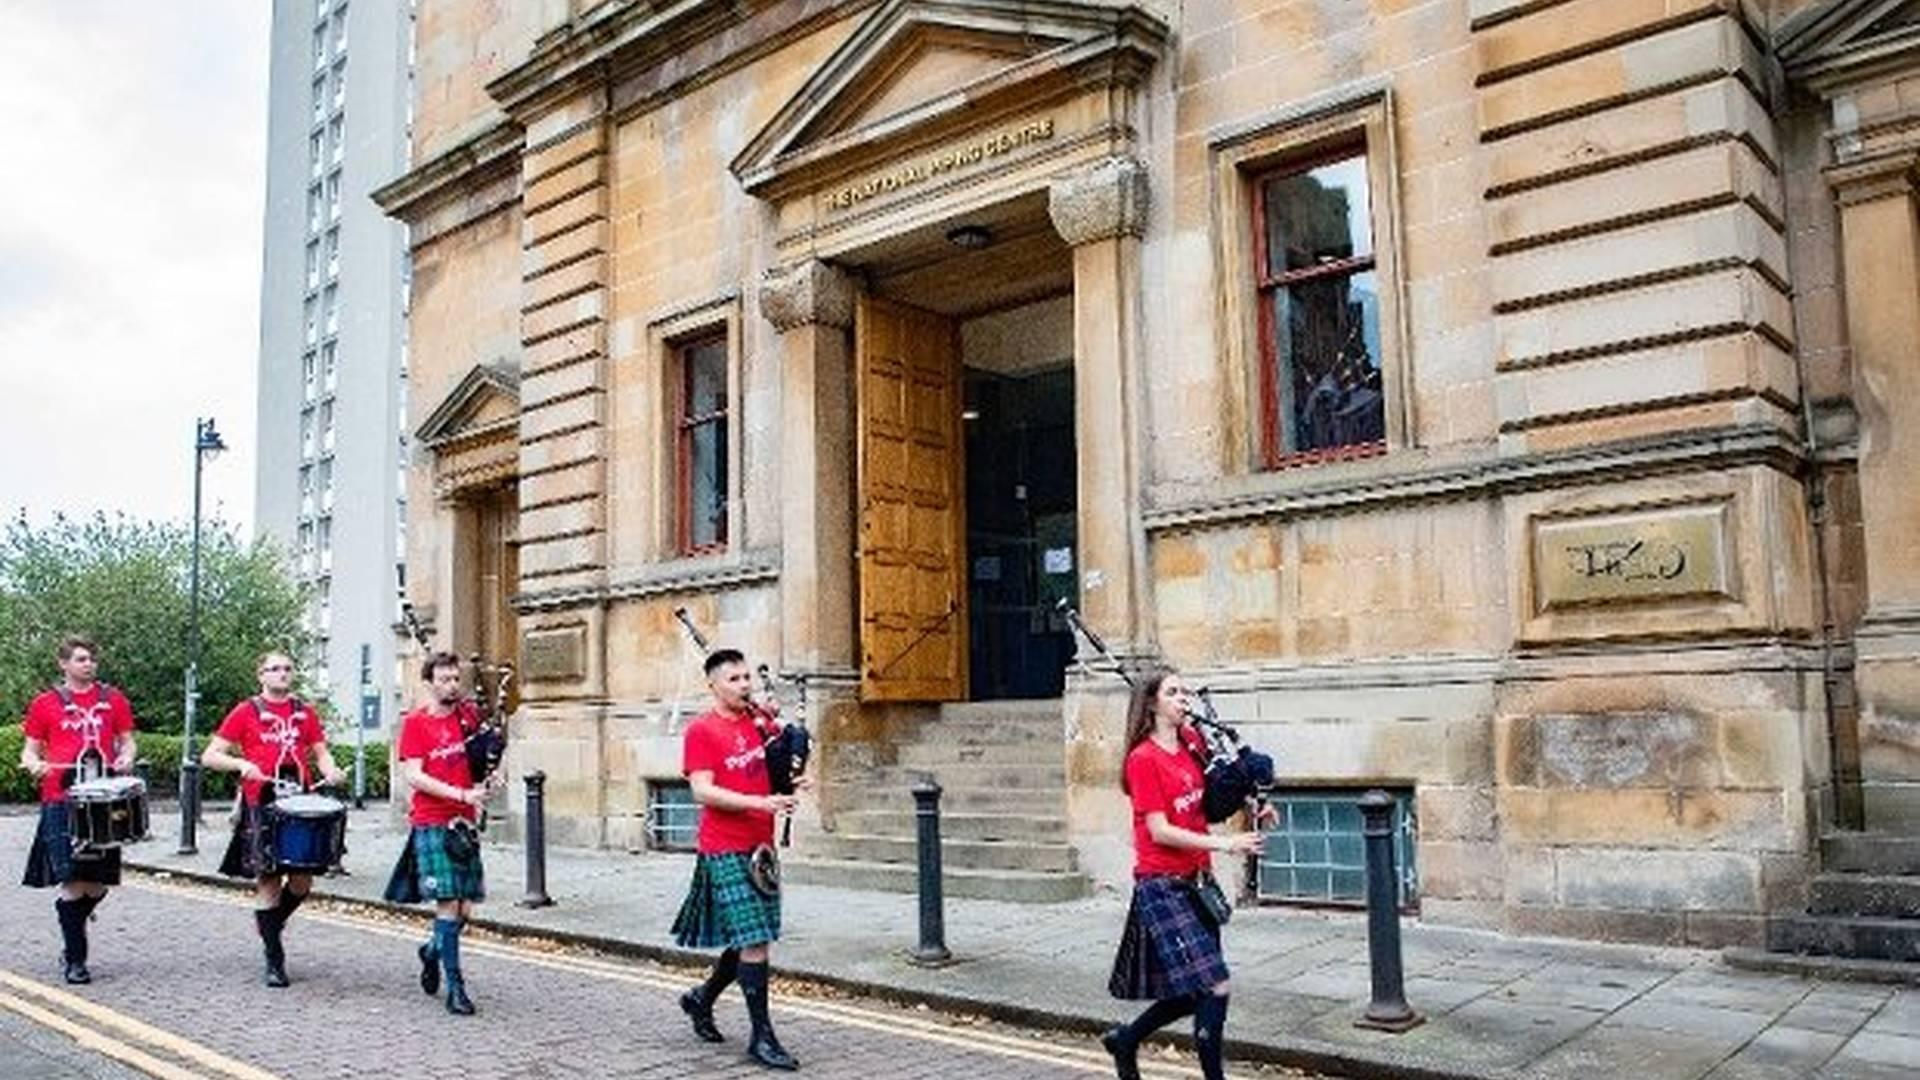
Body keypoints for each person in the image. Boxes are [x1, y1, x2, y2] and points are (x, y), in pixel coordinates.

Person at [1102, 669, 1264, 1080]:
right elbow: (1160, 830)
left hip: (1198, 883)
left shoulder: (1192, 742)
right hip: (1162, 885)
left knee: (1197, 991)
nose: (1183, 699)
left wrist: (1253, 803)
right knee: (1215, 986)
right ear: (1152, 704)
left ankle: (1125, 1040)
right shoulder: (1142, 759)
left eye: (1184, 691)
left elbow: (1212, 795)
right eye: (1173, 692)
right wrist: (1227, 844)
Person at [672, 648, 805, 1071]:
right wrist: (760, 802)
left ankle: (702, 999)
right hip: (725, 845)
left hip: (760, 846)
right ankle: (761, 1038)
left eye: (747, 677)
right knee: (756, 939)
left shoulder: (760, 722)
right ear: (712, 684)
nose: (744, 685)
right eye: (733, 679)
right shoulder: (702, 731)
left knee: (750, 934)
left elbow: (781, 764)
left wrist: (797, 775)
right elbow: (702, 791)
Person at [202, 651, 347, 987]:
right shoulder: (246, 711)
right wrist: (240, 765)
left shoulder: (304, 712)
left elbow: (321, 753)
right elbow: (210, 755)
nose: (282, 674)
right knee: (268, 881)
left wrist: (332, 772)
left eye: (287, 668)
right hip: (262, 805)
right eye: (274, 669)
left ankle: (270, 922)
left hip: (300, 804)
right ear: (261, 676)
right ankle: (274, 959)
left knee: (302, 882)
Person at [19, 635, 138, 985]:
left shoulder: (112, 699)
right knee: (72, 881)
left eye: (91, 659)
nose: (89, 664)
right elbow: (29, 751)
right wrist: (34, 764)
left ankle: (67, 918)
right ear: (64, 664)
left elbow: (127, 739)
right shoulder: (45, 703)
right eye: (81, 659)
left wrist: (127, 755)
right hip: (62, 799)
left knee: (98, 885)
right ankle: (76, 960)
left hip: (104, 799)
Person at [382, 651, 497, 1015]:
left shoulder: (469, 716)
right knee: (447, 904)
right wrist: (461, 794)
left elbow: (487, 753)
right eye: (444, 679)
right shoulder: (416, 724)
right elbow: (413, 775)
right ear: (429, 683)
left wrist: (493, 776)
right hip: (432, 820)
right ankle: (456, 989)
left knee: (465, 910)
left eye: (454, 678)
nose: (451, 684)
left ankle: (431, 951)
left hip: (463, 822)